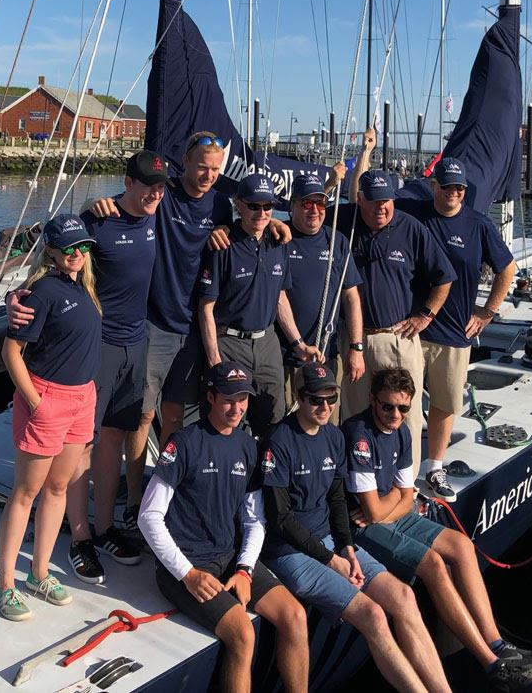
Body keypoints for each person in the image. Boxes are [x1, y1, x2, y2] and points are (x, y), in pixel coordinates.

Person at [87, 132, 291, 541]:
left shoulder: (219, 203)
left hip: (194, 330)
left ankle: (170, 494)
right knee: (143, 415)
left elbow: (251, 220)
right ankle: (133, 499)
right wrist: (95, 206)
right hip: (155, 324)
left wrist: (279, 228)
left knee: (175, 419)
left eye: (216, 169)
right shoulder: (163, 195)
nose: (208, 175)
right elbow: (130, 200)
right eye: (202, 166)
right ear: (185, 161)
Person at [7, 150, 167, 584]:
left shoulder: (157, 217)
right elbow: (54, 260)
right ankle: (80, 538)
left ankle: (104, 527)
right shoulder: (99, 219)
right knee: (81, 446)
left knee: (115, 436)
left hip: (137, 342)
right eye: (147, 184)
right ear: (128, 182)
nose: (155, 193)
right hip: (99, 346)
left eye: (160, 186)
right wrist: (16, 297)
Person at [342, 369, 532, 692]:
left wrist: (393, 499)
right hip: (362, 528)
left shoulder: (402, 432)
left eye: (403, 408)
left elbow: (403, 502)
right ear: (372, 401)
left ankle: (496, 644)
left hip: (388, 515)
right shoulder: (359, 434)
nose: (395, 415)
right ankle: (491, 666)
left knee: (462, 546)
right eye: (387, 407)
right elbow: (375, 512)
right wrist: (396, 498)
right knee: (434, 565)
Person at [261, 362, 452, 693]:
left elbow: (337, 502)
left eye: (331, 399)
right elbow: (281, 520)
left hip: (331, 542)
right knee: (373, 615)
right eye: (315, 399)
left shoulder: (334, 437)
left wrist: (347, 547)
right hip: (288, 551)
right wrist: (331, 559)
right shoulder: (278, 441)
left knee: (404, 596)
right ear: (300, 398)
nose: (325, 407)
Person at [138, 362, 309, 693]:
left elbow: (254, 519)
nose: (237, 408)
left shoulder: (248, 446)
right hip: (186, 568)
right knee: (244, 634)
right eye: (229, 399)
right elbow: (149, 516)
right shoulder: (184, 443)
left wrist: (245, 569)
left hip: (230, 558)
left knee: (296, 617)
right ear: (211, 398)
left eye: (243, 399)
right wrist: (188, 574)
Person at [0, 214, 101, 621]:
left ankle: (38, 574)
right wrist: (37, 403)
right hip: (49, 399)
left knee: (58, 488)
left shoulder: (84, 285)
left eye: (83, 247)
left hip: (81, 399)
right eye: (69, 248)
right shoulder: (41, 293)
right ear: (52, 251)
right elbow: (12, 352)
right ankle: (5, 582)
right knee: (27, 491)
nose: (77, 254)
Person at [397, 157, 516, 501]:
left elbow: (506, 269)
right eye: (446, 186)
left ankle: (434, 468)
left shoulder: (478, 225)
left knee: (446, 404)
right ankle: (404, 474)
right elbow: (368, 202)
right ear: (434, 186)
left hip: (454, 333)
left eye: (459, 188)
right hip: (413, 330)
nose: (453, 193)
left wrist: (488, 312)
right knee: (406, 404)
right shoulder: (413, 212)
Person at [342, 126, 456, 475]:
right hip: (355, 343)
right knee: (355, 419)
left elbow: (444, 276)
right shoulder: (344, 221)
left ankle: (404, 487)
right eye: (374, 200)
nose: (381, 208)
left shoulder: (410, 228)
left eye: (387, 201)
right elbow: (305, 212)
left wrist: (425, 316)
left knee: (404, 419)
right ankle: (357, 486)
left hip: (398, 339)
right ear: (360, 199)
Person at [199, 173, 301, 438]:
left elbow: (280, 298)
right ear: (239, 205)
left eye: (268, 206)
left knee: (274, 419)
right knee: (229, 422)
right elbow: (206, 308)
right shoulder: (222, 245)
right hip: (230, 342)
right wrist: (214, 359)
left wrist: (298, 343)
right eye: (254, 205)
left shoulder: (279, 243)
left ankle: (267, 478)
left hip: (268, 343)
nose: (262, 212)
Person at [278, 168, 365, 424]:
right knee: (285, 420)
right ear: (293, 205)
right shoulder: (279, 236)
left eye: (320, 203)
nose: (314, 210)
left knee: (325, 421)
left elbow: (351, 297)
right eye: (306, 203)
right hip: (285, 355)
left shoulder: (336, 241)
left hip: (326, 355)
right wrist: (297, 344)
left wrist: (356, 348)